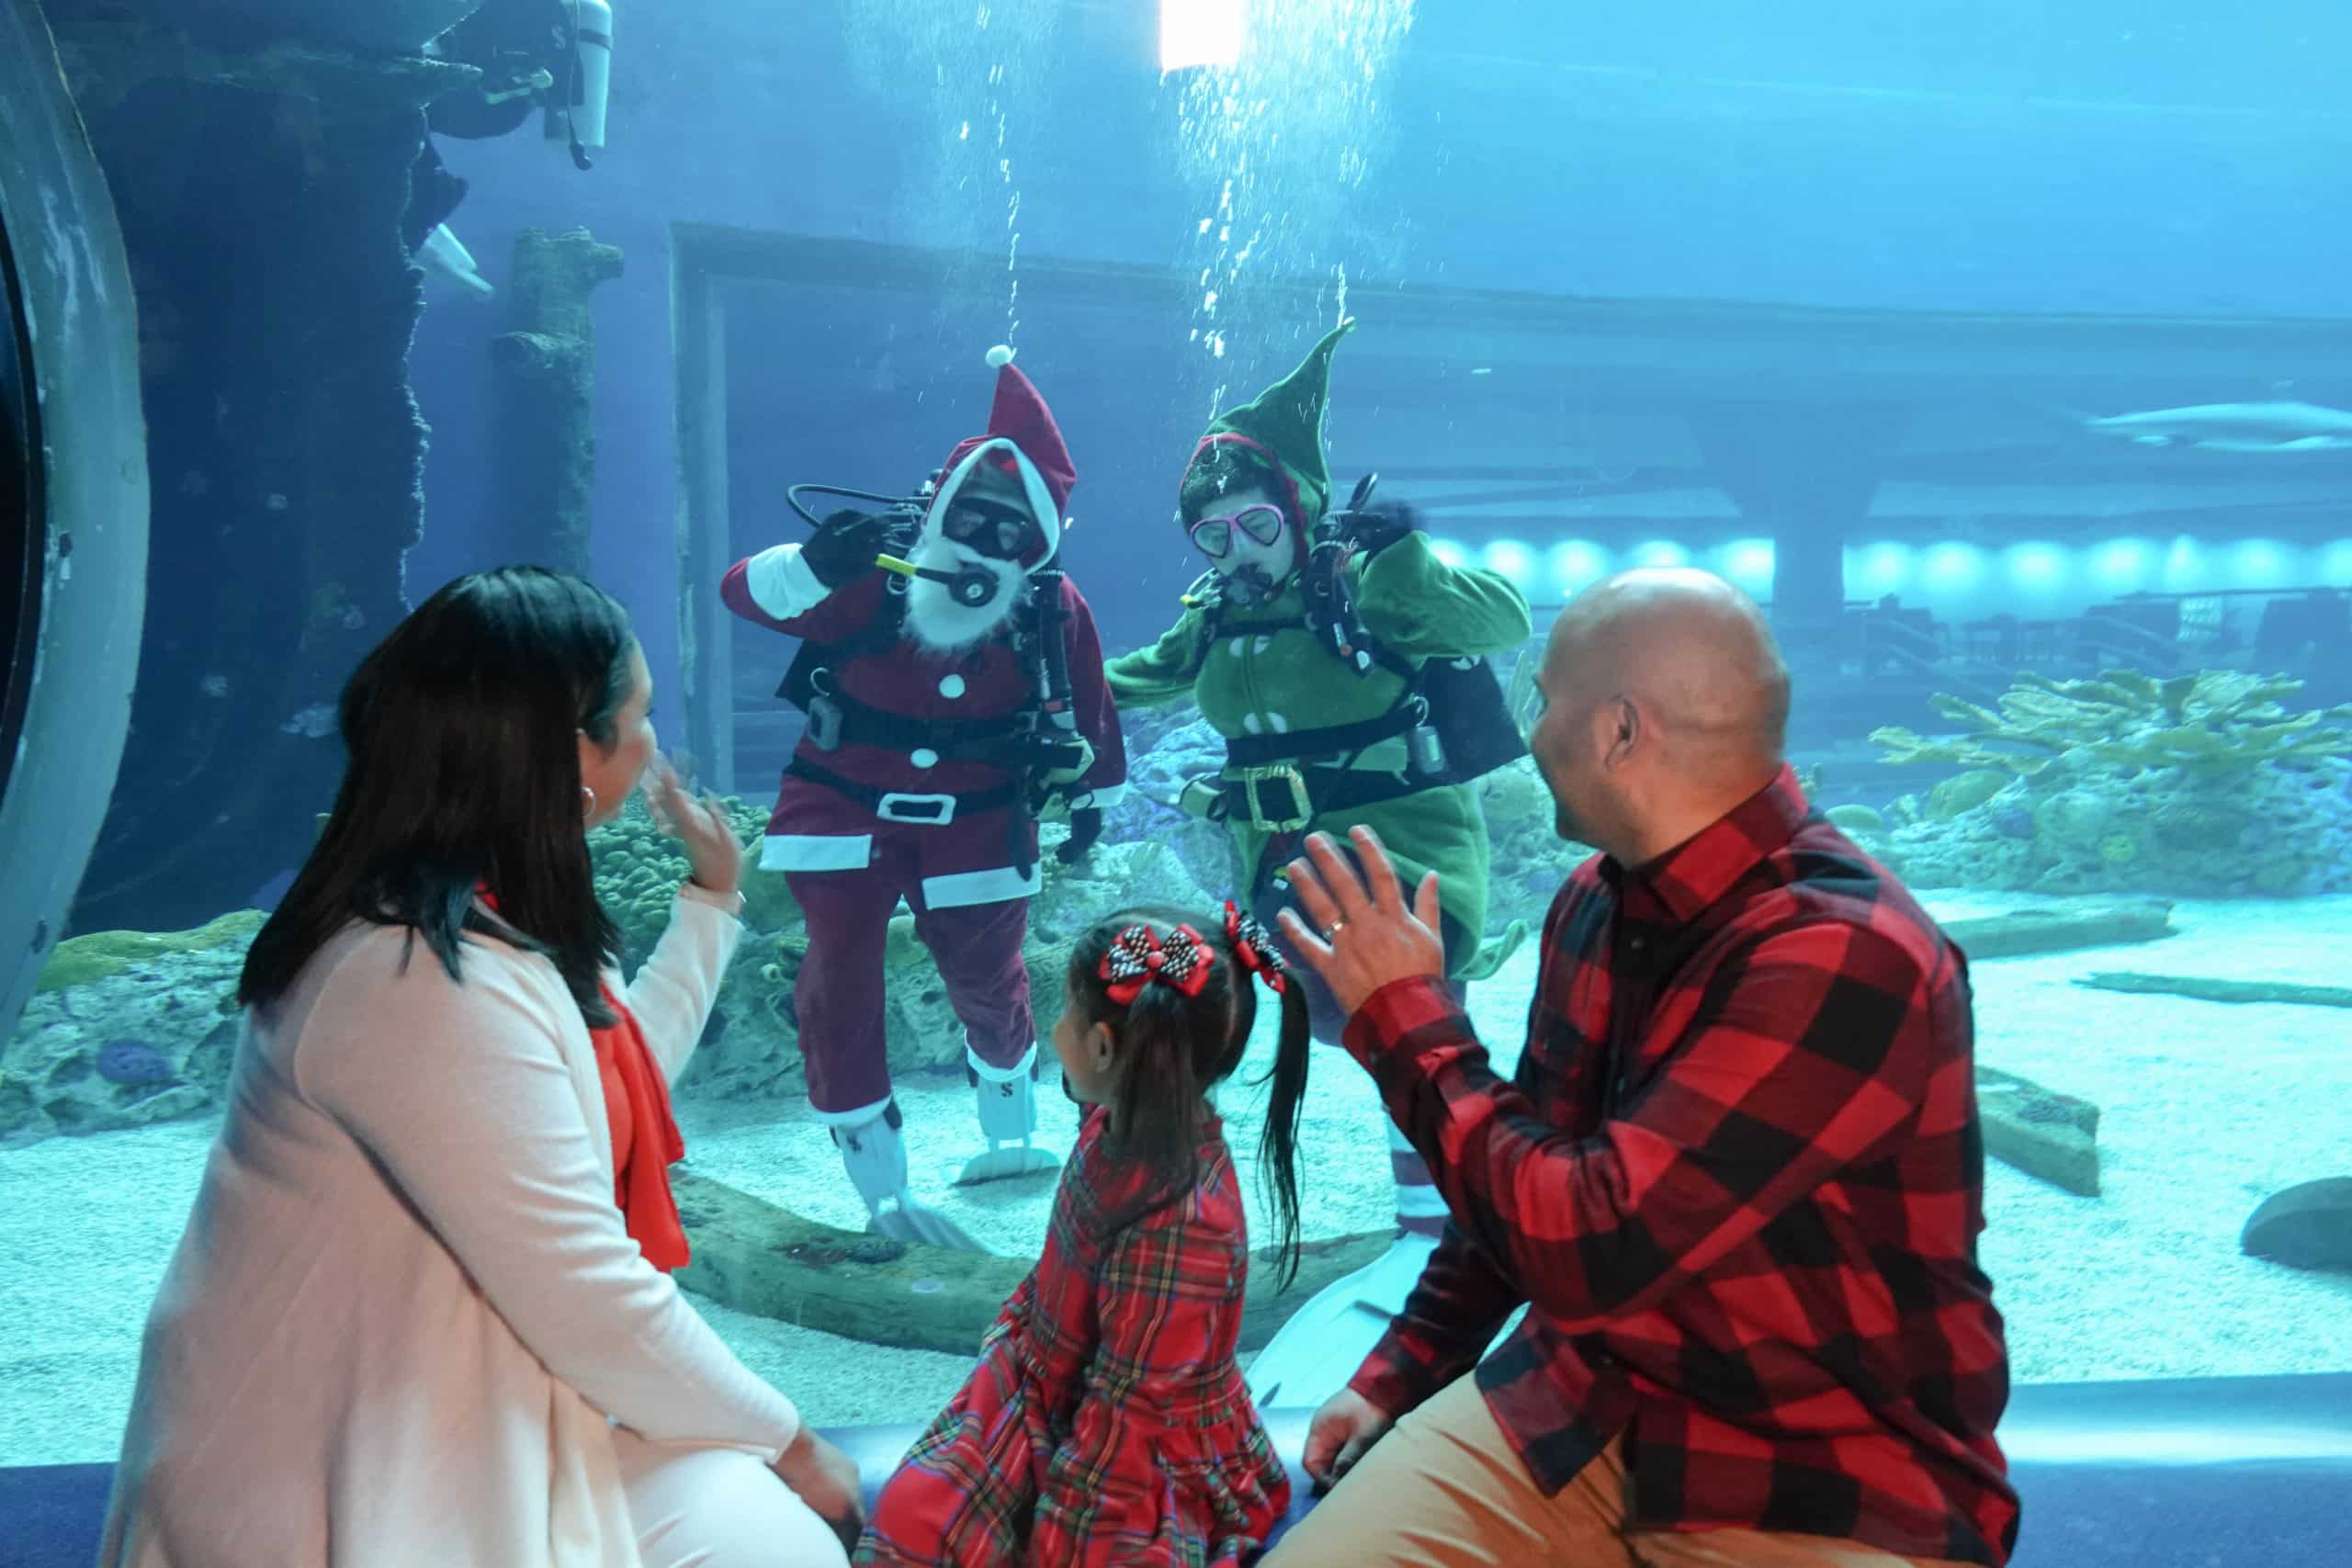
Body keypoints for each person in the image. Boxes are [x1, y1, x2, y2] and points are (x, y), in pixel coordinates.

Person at [99, 568, 862, 1568]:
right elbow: (581, 1289)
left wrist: (709, 905)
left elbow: (601, 1090)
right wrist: (792, 1442)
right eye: (637, 718)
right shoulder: (407, 976)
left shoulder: (496, 926)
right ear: (567, 757)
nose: (651, 749)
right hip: (347, 1460)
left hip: (489, 1404)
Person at [1262, 567, 2020, 1567]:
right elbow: (1519, 1173)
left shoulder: (1841, 952)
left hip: (1818, 1470)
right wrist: (1402, 1371)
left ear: (1619, 733)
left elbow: (1591, 1245)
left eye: (1541, 701)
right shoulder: (1594, 902)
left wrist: (1405, 1016)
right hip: (1575, 1405)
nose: (1528, 734)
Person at [1104, 318, 1534, 1405]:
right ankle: (1434, 1212)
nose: (1237, 551)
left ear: (1297, 507)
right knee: (1326, 1026)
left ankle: (1447, 1230)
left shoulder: (1367, 585)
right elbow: (1140, 675)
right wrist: (1041, 665)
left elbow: (1508, 612)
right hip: (1276, 859)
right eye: (1212, 536)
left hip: (1396, 849)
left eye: (1255, 523)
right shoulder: (1217, 612)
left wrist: (1399, 565)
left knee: (1400, 1018)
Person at [722, 347, 1128, 1250]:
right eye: (970, 519)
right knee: (839, 979)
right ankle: (878, 1180)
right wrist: (813, 566)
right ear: (938, 510)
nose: (985, 546)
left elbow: (1090, 710)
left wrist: (1089, 803)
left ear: (1041, 542)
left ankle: (1010, 1116)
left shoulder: (1052, 611)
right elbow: (743, 591)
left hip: (982, 816)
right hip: (840, 807)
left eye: (1011, 532)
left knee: (988, 973)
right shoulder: (868, 573)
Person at [855, 903, 1309, 1567]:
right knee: (913, 1523)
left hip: (1134, 1439)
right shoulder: (1119, 1116)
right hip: (1051, 1380)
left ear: (1101, 1047)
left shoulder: (1186, 1227)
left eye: (1065, 1014)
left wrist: (1064, 1534)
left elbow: (1130, 1417)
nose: (1055, 1031)